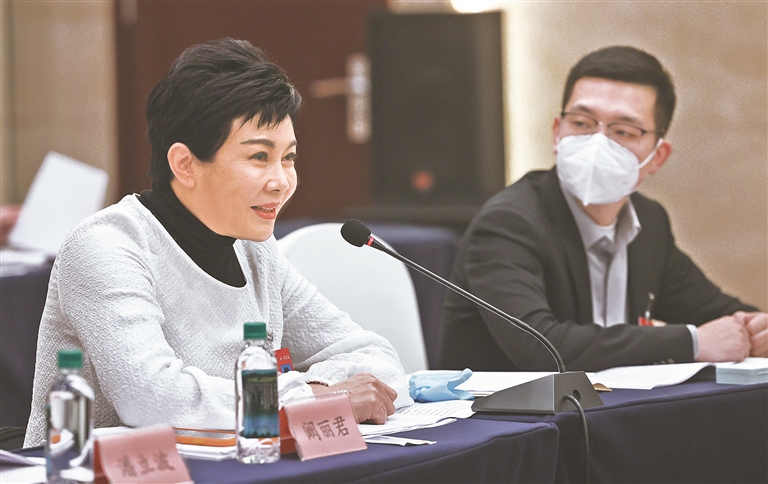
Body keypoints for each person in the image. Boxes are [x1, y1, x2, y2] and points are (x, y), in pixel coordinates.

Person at [24, 38, 409, 447]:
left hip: (237, 466)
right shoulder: (107, 246)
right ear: (185, 164)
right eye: (259, 157)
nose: (281, 181)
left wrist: (319, 390)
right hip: (92, 471)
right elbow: (152, 398)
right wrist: (312, 399)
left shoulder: (255, 250)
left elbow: (377, 358)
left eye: (289, 158)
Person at [438, 46, 767, 372]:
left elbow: (716, 313)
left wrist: (755, 330)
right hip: (507, 407)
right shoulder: (508, 223)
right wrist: (692, 342)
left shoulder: (648, 223)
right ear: (557, 133)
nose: (597, 143)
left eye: (622, 131)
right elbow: (543, 346)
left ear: (658, 156)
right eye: (582, 123)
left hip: (612, 405)